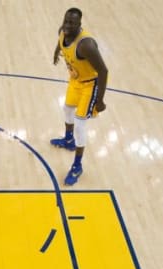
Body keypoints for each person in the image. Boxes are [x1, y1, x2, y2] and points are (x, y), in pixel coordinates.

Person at [50, 8, 109, 185]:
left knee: (80, 124)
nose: (67, 25)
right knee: (67, 108)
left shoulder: (86, 45)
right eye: (66, 21)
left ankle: (77, 166)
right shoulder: (63, 31)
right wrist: (56, 53)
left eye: (72, 23)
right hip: (76, 81)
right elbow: (60, 42)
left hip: (90, 85)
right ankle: (68, 140)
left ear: (79, 24)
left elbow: (103, 71)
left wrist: (100, 100)